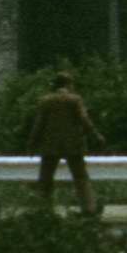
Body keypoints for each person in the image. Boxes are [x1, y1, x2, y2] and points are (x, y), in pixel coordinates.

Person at [27, 69, 103, 215]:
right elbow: (84, 119)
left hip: (50, 145)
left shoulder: (45, 101)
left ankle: (43, 210)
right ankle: (89, 209)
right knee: (81, 177)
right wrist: (96, 135)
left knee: (45, 179)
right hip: (73, 144)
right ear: (69, 84)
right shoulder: (75, 100)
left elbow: (38, 124)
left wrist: (32, 143)